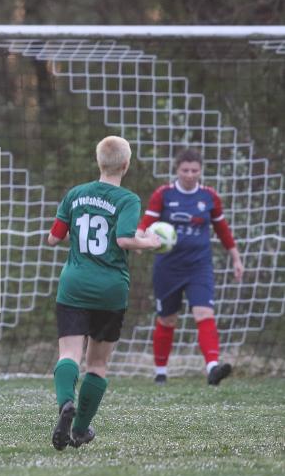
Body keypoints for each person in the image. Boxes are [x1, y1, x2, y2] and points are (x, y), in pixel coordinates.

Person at [46, 136, 160, 450]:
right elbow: (124, 240)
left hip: (74, 285)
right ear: (125, 164)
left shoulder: (76, 194)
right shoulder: (127, 199)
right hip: (110, 290)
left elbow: (53, 239)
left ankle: (66, 402)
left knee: (69, 353)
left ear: (99, 162)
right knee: (97, 364)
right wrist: (149, 242)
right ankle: (80, 429)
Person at [137, 148, 244, 386]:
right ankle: (161, 372)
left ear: (200, 171)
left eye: (195, 170)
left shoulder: (209, 197)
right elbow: (146, 223)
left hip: (199, 266)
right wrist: (138, 240)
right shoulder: (163, 194)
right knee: (167, 319)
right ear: (177, 170)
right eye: (185, 170)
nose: (190, 175)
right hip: (168, 267)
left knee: (204, 313)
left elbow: (222, 230)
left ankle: (213, 368)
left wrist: (236, 257)